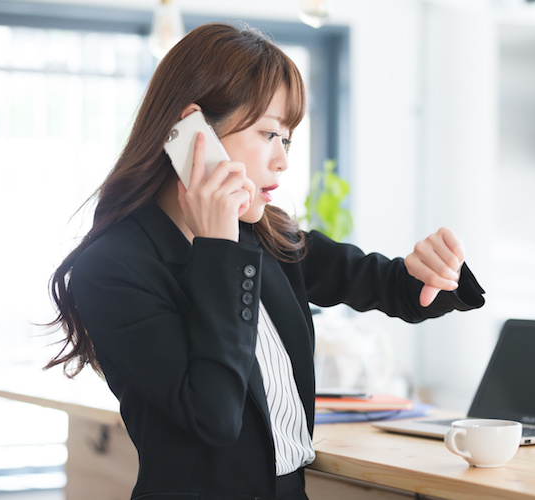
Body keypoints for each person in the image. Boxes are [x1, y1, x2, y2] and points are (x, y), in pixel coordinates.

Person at [45, 22, 484, 500]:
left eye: (288, 140)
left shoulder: (266, 236)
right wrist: (219, 249)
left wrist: (434, 271)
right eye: (270, 134)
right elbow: (214, 414)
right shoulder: (112, 270)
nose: (283, 162)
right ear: (194, 133)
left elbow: (389, 284)